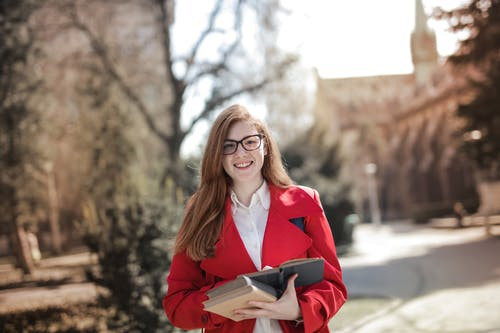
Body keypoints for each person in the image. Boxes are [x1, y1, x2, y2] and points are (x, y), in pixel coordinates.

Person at [163, 104, 347, 333]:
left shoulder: (305, 202)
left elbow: (334, 286)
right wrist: (228, 297)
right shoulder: (199, 213)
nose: (241, 153)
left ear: (265, 146)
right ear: (217, 155)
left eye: (250, 142)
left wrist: (299, 309)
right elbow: (176, 306)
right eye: (228, 146)